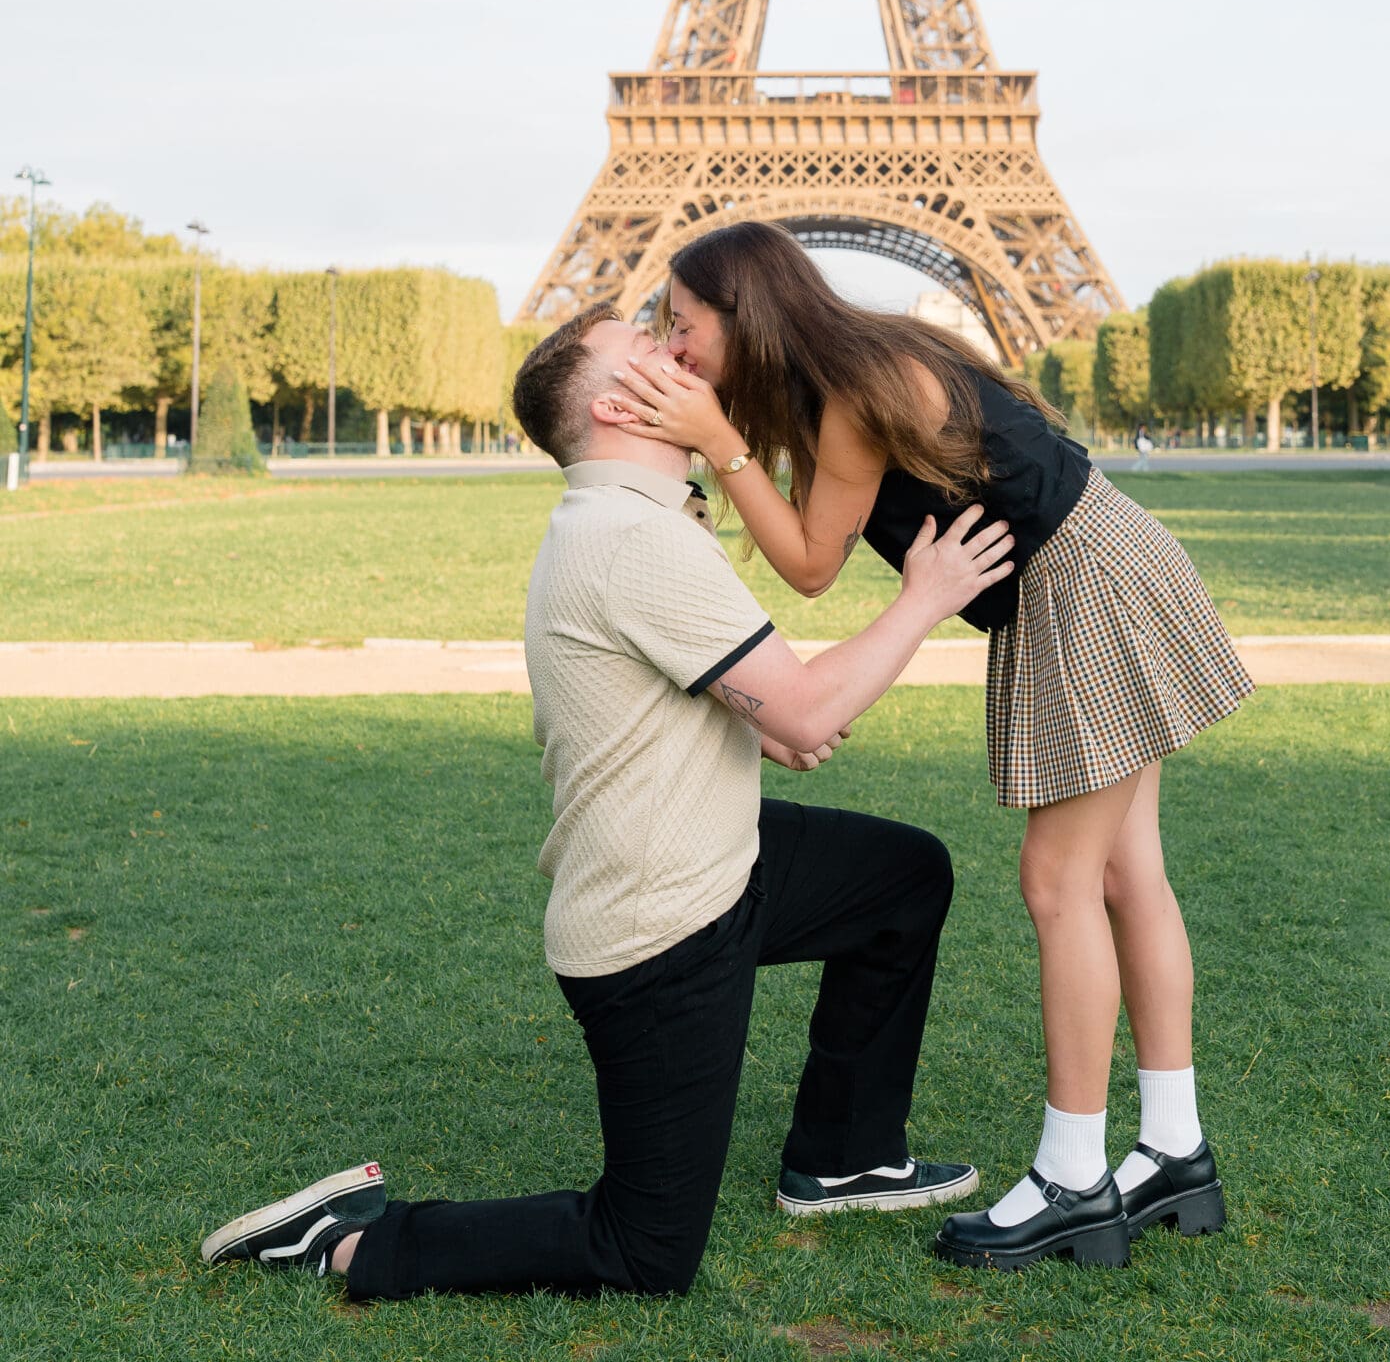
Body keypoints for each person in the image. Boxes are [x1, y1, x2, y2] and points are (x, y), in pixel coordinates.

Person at [200, 304, 1010, 1300]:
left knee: (902, 876)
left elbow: (667, 680)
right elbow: (805, 710)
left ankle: (842, 1156)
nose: (677, 347)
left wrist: (747, 719)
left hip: (723, 855)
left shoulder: (629, 520)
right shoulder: (631, 536)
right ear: (624, 405)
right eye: (646, 347)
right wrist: (923, 597)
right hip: (659, 928)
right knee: (644, 1249)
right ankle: (351, 1241)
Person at [609, 222, 1252, 1273]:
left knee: (1060, 884)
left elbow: (813, 565)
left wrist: (719, 441)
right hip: (1098, 557)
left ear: (748, 315)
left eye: (684, 325)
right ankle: (1174, 1150)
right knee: (1131, 872)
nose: (672, 347)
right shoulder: (862, 363)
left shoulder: (860, 392)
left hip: (1081, 582)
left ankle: (1073, 1177)